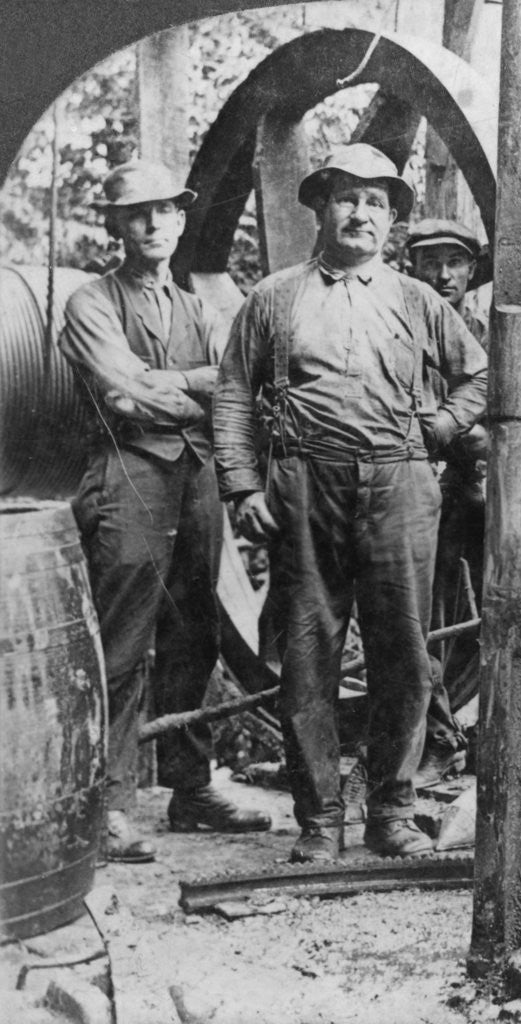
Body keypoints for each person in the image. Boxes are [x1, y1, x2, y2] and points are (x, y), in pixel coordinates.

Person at [213, 144, 488, 862]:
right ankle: (319, 821)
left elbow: (479, 378)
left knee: (403, 651)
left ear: (391, 218)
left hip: (400, 483)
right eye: (346, 197)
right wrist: (241, 485)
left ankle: (391, 811)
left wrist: (443, 426)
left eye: (375, 201)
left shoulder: (417, 299)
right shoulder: (273, 298)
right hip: (305, 485)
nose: (359, 212)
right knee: (308, 656)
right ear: (320, 208)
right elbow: (235, 395)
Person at [60, 159, 271, 864]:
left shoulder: (200, 308)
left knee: (197, 634)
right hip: (127, 477)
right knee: (120, 643)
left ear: (181, 220)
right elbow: (122, 393)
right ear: (116, 224)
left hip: (197, 477)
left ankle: (191, 789)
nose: (153, 224)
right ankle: (108, 805)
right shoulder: (91, 302)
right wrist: (195, 389)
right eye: (137, 213)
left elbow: (235, 383)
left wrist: (172, 386)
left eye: (166, 212)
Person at [404, 218, 491, 788]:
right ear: (411, 268)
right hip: (426, 490)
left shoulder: (490, 328)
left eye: (454, 263)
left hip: (488, 490)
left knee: (504, 609)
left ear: (470, 269)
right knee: (422, 619)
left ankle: (494, 737)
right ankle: (438, 739)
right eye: (430, 262)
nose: (443, 275)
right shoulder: (400, 324)